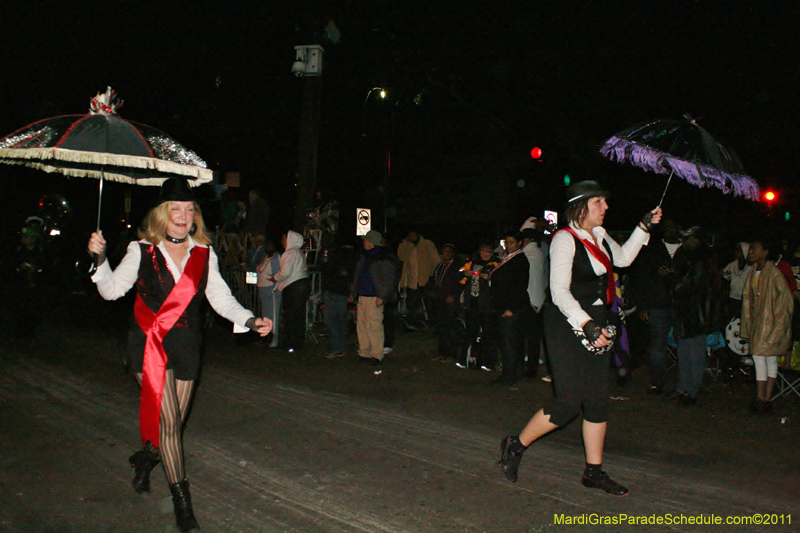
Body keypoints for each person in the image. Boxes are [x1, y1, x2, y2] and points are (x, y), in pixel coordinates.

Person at [87, 178, 272, 532]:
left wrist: (248, 319)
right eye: (176, 208)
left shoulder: (203, 253)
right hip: (147, 344)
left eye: (189, 209)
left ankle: (145, 460)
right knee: (171, 424)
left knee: (171, 424)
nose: (183, 216)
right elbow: (112, 291)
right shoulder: (141, 249)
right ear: (161, 212)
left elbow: (220, 299)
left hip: (186, 345)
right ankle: (182, 504)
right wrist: (98, 259)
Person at [500, 180, 661, 497]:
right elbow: (558, 291)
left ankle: (593, 472)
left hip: (595, 321)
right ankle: (515, 446)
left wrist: (643, 227)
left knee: (598, 400)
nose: (606, 207)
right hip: (566, 322)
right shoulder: (564, 239)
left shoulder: (599, 235)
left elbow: (624, 259)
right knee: (568, 403)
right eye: (600, 202)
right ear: (582, 205)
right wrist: (586, 325)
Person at [670, 226, 724, 406]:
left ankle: (691, 390)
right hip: (687, 312)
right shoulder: (687, 256)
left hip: (697, 313)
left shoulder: (701, 258)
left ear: (697, 239)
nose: (685, 242)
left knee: (694, 353)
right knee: (684, 351)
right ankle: (683, 387)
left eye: (689, 238)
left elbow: (687, 286)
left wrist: (670, 280)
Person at [633, 219, 687, 394]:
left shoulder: (686, 250)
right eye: (666, 227)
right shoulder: (653, 250)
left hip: (682, 306)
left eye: (673, 226)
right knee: (657, 347)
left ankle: (683, 384)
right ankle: (658, 381)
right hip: (658, 305)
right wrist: (643, 306)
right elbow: (643, 279)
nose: (670, 230)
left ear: (680, 228)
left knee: (684, 346)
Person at [740, 239, 793, 413]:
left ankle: (762, 397)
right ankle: (765, 398)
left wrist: (778, 328)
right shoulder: (755, 271)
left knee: (762, 358)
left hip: (770, 323)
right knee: (766, 359)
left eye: (754, 249)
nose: (750, 252)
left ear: (765, 252)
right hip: (760, 323)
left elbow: (785, 304)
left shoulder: (774, 274)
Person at [351, 230, 399, 368]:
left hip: (373, 296)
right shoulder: (365, 256)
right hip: (363, 295)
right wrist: (353, 292)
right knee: (362, 325)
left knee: (374, 326)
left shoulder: (382, 258)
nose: (364, 242)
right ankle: (364, 352)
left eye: (366, 240)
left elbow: (388, 280)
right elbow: (358, 275)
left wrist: (381, 296)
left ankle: (376, 354)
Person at [490, 231, 530, 386]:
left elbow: (520, 286)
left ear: (519, 243)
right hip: (506, 305)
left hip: (511, 307)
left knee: (508, 343)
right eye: (506, 242)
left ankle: (508, 376)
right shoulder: (507, 258)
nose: (508, 245)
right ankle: (516, 373)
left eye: (512, 242)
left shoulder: (519, 260)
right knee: (513, 341)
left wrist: (511, 308)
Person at [457, 241, 500, 371]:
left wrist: (478, 275)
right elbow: (461, 273)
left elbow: (490, 276)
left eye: (488, 251)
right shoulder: (472, 260)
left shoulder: (496, 262)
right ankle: (465, 360)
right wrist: (466, 273)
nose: (485, 254)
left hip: (487, 304)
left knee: (488, 334)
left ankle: (487, 362)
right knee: (470, 332)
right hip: (473, 302)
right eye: (483, 250)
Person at [270, 230, 311, 352]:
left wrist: (274, 277)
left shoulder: (289, 253)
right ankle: (297, 343)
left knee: (290, 316)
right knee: (298, 316)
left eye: (284, 239)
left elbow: (285, 272)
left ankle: (290, 344)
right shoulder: (299, 253)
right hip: (302, 285)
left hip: (293, 287)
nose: (282, 241)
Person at [428, 243, 463, 363]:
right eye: (444, 251)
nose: (446, 254)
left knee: (451, 328)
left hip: (450, 302)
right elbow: (434, 281)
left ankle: (452, 354)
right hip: (440, 301)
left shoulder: (457, 267)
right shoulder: (439, 267)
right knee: (441, 328)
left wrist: (453, 296)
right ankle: (442, 352)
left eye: (449, 251)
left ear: (453, 253)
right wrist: (432, 291)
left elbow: (461, 283)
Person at [321, 239, 356, 358]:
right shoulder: (344, 255)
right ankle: (338, 347)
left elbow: (348, 275)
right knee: (338, 320)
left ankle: (337, 347)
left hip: (336, 291)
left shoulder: (338, 255)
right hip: (337, 291)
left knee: (333, 320)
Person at [397, 230, 440, 329]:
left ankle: (433, 323)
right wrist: (405, 243)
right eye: (410, 235)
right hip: (412, 280)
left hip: (426, 279)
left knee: (429, 303)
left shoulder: (427, 245)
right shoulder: (407, 246)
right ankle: (413, 323)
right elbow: (401, 256)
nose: (412, 236)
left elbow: (435, 261)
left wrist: (432, 276)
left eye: (413, 235)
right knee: (412, 303)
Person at [520, 227, 548, 378]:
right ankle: (531, 366)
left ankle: (531, 368)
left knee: (531, 337)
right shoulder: (538, 254)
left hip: (530, 301)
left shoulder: (529, 255)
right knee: (533, 338)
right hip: (537, 299)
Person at [255, 237, 282, 348]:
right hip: (264, 290)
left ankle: (273, 341)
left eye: (269, 245)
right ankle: (266, 339)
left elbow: (277, 275)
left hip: (271, 291)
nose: (267, 247)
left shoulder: (275, 258)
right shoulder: (266, 257)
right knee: (266, 317)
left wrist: (274, 288)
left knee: (272, 317)